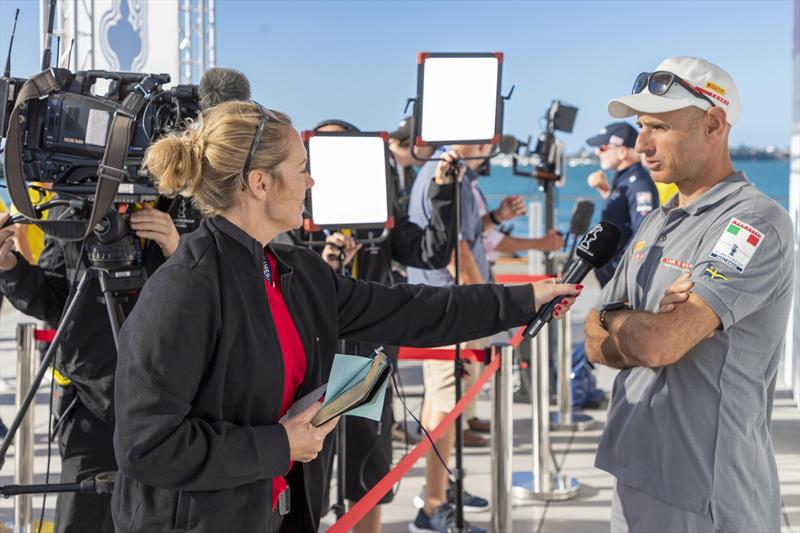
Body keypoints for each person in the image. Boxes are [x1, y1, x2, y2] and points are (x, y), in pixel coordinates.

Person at [110, 100, 582, 533]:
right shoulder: (184, 289)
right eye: (302, 169)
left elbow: (413, 309)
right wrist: (280, 445)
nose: (312, 182)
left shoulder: (297, 273)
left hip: (277, 515)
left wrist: (525, 300)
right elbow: (146, 447)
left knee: (369, 462)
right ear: (259, 183)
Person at [585, 56, 794, 532]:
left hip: (705, 492)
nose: (641, 144)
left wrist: (621, 317)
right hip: (633, 470)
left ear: (714, 125)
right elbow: (593, 341)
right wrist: (637, 321)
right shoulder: (658, 220)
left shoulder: (752, 224)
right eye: (640, 127)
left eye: (659, 126)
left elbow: (660, 343)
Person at [0, 197, 198, 533]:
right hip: (90, 405)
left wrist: (179, 252)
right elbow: (53, 300)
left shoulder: (186, 208)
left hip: (173, 408)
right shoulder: (70, 211)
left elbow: (217, 303)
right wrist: (9, 267)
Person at [311, 118, 456, 533]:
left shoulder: (380, 211)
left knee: (367, 460)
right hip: (311, 360)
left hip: (365, 358)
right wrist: (324, 261)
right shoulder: (294, 215)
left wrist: (442, 191)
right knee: (308, 466)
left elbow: (428, 252)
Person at [585, 121, 659, 287]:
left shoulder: (639, 183)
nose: (598, 152)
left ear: (622, 151)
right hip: (612, 276)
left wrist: (616, 268)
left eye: (603, 147)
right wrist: (607, 193)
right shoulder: (623, 180)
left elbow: (644, 233)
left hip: (621, 280)